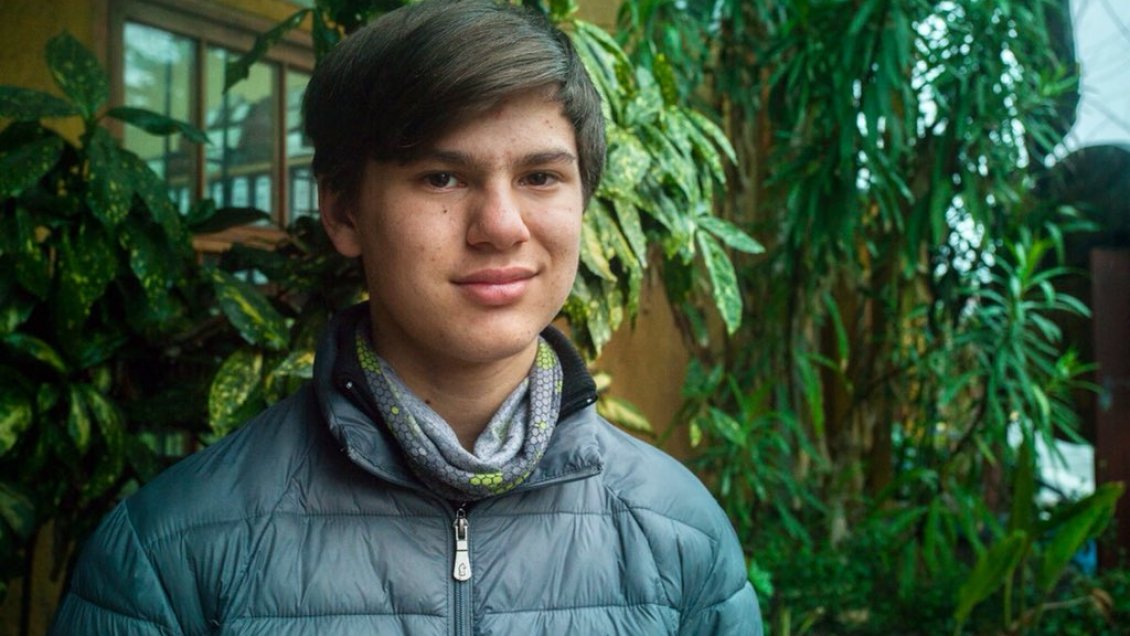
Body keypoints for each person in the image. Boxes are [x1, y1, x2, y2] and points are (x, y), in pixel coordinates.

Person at [49, 0, 762, 633]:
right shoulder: (170, 552)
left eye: (540, 177)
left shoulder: (680, 534)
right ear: (343, 212)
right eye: (441, 177)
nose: (501, 226)